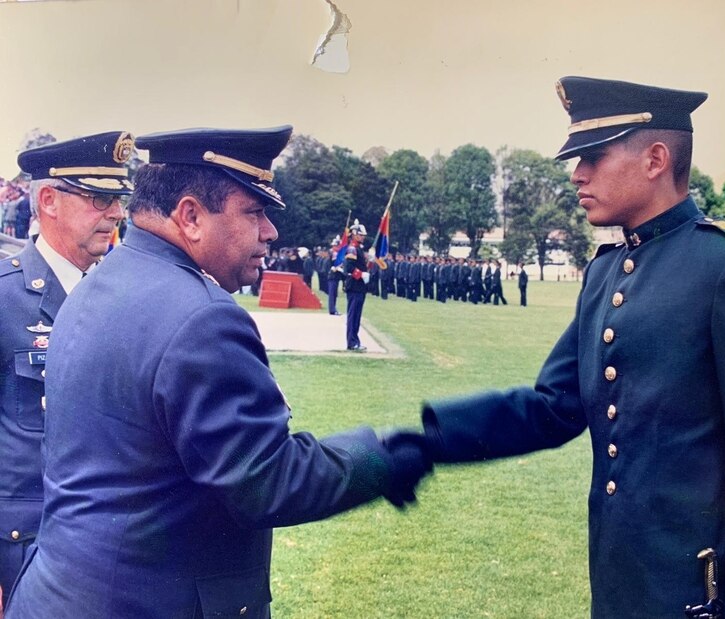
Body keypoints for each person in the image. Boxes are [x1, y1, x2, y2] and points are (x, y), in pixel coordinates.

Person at [402, 77, 725, 618]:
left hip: (702, 595)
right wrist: (431, 439)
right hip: (622, 583)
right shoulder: (603, 273)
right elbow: (554, 407)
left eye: (593, 156)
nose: (577, 174)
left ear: (656, 159)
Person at [4, 128, 431, 619]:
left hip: (62, 594)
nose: (269, 231)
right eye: (254, 212)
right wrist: (385, 457)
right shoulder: (200, 315)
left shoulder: (99, 284)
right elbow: (268, 482)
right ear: (190, 216)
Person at [0, 131, 134, 612]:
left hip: (110, 552)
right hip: (23, 550)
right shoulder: (4, 297)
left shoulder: (125, 297)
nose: (117, 212)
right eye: (101, 198)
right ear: (50, 201)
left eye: (119, 199)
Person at [343, 219, 369, 351]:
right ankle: (352, 342)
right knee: (353, 315)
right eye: (361, 234)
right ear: (354, 234)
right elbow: (349, 267)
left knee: (357, 315)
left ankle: (355, 340)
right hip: (354, 286)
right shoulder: (352, 248)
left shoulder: (358, 249)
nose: (363, 237)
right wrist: (361, 274)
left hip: (359, 287)